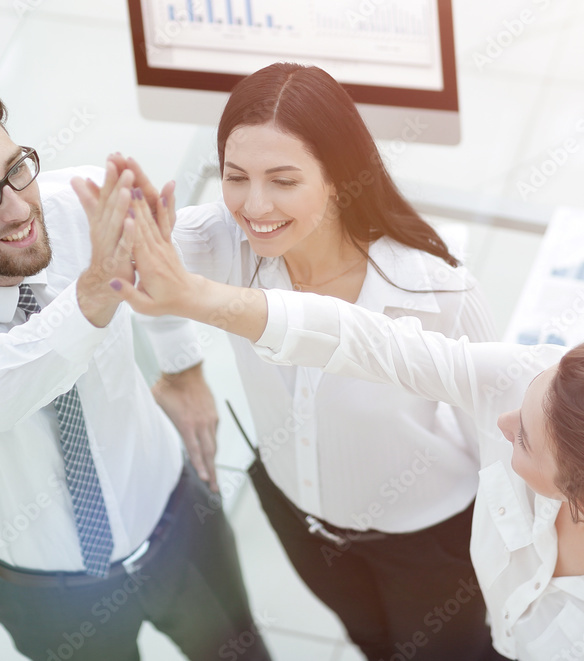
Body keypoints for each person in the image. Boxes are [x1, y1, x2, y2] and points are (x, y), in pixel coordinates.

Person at [114, 188, 584, 660]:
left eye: (522, 437)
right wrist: (200, 297)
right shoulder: (525, 383)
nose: (503, 418)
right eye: (530, 397)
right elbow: (368, 341)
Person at [0, 83, 269, 661]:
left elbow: (160, 257)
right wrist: (96, 291)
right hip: (48, 591)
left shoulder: (75, 204)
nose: (20, 208)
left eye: (16, 169)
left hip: (176, 522)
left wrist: (182, 365)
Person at [141, 62, 500, 660]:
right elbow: (141, 270)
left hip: (427, 535)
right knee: (372, 643)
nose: (254, 205)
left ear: (338, 177)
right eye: (236, 177)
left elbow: (498, 438)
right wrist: (181, 369)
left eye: (283, 180)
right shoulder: (223, 243)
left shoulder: (435, 290)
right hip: (300, 517)